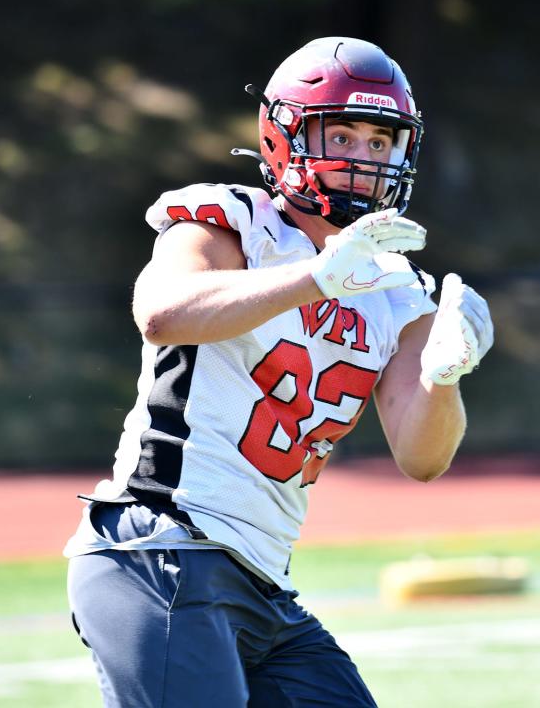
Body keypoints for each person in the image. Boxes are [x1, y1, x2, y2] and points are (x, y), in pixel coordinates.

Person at [64, 36, 494, 707]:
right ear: (283, 138)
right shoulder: (233, 221)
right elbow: (162, 312)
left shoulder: (399, 292)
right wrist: (317, 279)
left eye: (379, 142)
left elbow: (422, 456)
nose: (363, 158)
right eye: (342, 134)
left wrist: (446, 375)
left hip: (263, 587)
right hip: (161, 551)